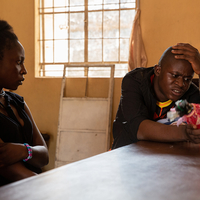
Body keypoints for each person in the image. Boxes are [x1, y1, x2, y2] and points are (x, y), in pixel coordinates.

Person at [112, 43, 200, 149]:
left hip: (166, 157)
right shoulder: (135, 82)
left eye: (187, 79)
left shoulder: (190, 94)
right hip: (127, 153)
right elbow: (139, 128)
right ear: (158, 70)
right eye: (175, 75)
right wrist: (184, 133)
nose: (181, 84)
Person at [0, 20, 49, 186]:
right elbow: (8, 168)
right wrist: (45, 186)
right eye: (18, 62)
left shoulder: (17, 102)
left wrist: (23, 150)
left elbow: (44, 156)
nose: (24, 70)